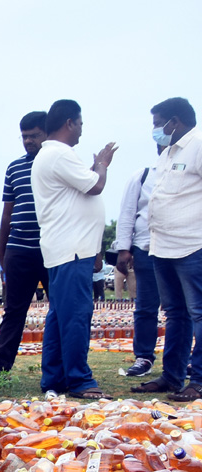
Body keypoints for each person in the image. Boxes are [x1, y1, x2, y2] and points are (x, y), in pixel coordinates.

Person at [31, 99, 116, 400]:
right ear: (70, 122)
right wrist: (102, 165)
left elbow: (81, 187)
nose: (81, 130)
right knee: (76, 315)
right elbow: (95, 186)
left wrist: (94, 168)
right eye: (80, 123)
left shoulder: (54, 156)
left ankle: (55, 378)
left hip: (68, 248)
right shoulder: (59, 155)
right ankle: (80, 380)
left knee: (60, 317)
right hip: (71, 249)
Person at [134, 97, 202, 401]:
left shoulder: (198, 145)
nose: (155, 130)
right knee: (176, 314)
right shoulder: (168, 153)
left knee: (199, 313)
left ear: (175, 122)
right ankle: (172, 376)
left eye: (157, 123)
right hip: (162, 247)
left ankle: (198, 379)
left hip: (192, 245)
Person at [0, 112, 49, 382]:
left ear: (48, 134)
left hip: (52, 248)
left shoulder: (57, 165)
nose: (28, 141)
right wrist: (2, 252)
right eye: (25, 136)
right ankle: (1, 365)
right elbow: (7, 212)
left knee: (60, 309)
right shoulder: (15, 168)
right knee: (14, 310)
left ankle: (59, 365)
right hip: (20, 248)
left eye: (34, 135)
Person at [121, 151, 165, 380]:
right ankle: (144, 357)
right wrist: (123, 248)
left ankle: (184, 360)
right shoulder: (144, 175)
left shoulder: (192, 172)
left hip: (182, 248)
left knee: (186, 309)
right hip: (146, 248)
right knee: (146, 306)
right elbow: (128, 213)